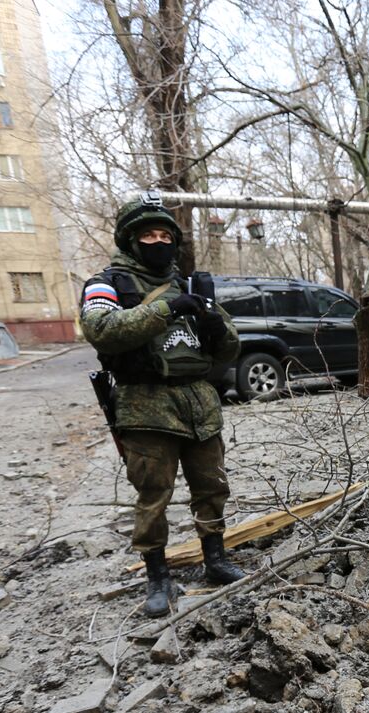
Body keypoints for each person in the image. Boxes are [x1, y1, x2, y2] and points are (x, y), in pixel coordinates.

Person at [80, 193, 246, 618]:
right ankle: (157, 576)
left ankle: (216, 560)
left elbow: (228, 349)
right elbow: (101, 329)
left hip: (199, 405)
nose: (158, 242)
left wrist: (212, 321)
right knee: (153, 495)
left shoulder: (191, 286)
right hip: (145, 406)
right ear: (131, 241)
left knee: (212, 488)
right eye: (148, 236)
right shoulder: (107, 284)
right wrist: (165, 309)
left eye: (164, 235)